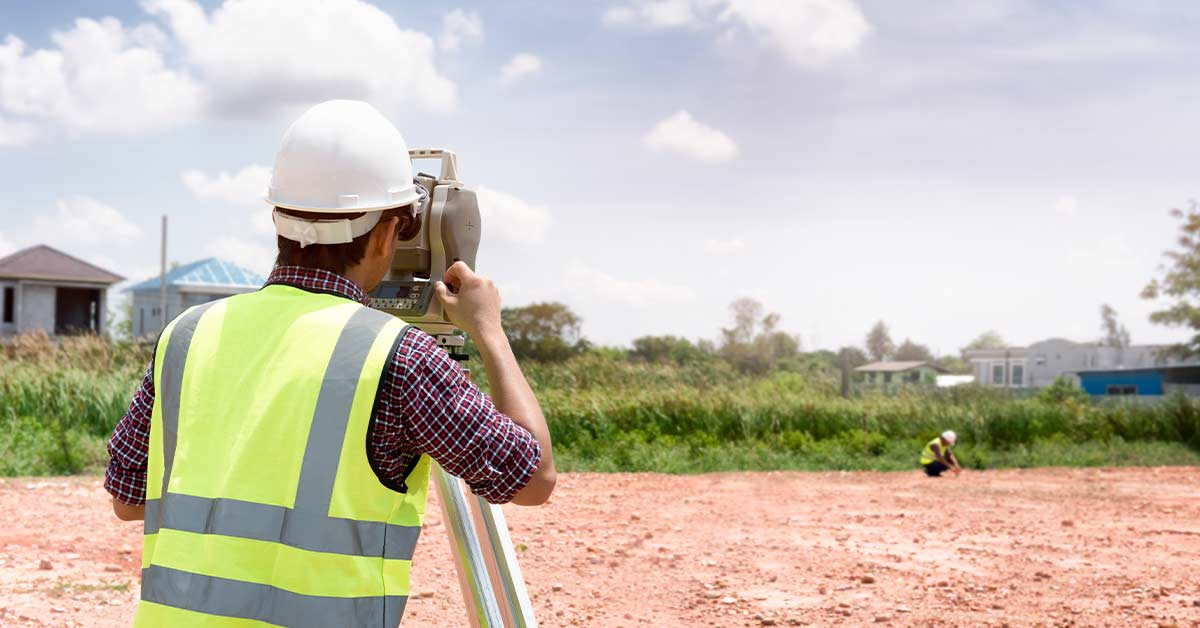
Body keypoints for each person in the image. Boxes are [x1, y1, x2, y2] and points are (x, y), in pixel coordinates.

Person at [103, 100, 556, 627]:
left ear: (279, 218)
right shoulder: (396, 357)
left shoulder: (185, 335)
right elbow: (532, 479)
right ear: (389, 231)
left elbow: (130, 499)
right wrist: (489, 332)